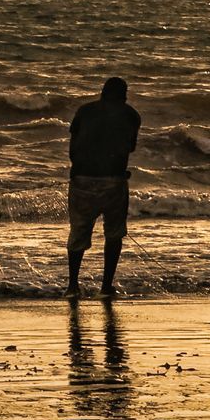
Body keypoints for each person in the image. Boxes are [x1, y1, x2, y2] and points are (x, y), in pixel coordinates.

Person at [66, 76, 141, 299]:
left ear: (102, 92)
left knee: (78, 232)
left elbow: (73, 149)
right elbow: (130, 147)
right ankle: (106, 287)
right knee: (114, 233)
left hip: (81, 180)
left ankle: (72, 287)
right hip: (114, 181)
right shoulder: (131, 114)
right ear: (123, 95)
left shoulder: (84, 110)